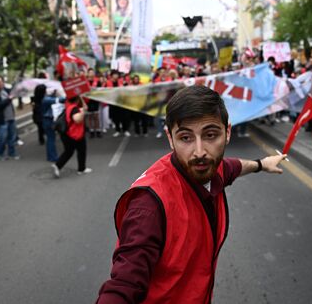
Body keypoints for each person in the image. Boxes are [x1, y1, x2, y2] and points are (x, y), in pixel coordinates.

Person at [96, 86, 286, 303]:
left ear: (228, 133)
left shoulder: (212, 169)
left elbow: (232, 167)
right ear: (170, 138)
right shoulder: (148, 206)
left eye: (211, 135)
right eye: (186, 138)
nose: (199, 152)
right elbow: (124, 284)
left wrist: (262, 164)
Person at [52, 96, 92, 178]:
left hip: (67, 134)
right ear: (76, 100)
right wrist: (82, 111)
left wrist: (80, 99)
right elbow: (77, 119)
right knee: (81, 150)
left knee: (69, 151)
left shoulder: (68, 106)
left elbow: (85, 107)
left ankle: (58, 165)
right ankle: (81, 169)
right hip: (75, 134)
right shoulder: (74, 109)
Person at [0, 75, 19, 160]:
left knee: (12, 137)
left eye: (0, 82)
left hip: (11, 117)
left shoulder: (5, 90)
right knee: (3, 138)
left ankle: (12, 153)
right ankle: (0, 154)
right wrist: (9, 99)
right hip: (2, 120)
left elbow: (14, 91)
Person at [41, 88, 65, 162]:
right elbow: (60, 100)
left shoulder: (44, 98)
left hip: (47, 120)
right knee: (51, 139)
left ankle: (50, 156)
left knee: (50, 138)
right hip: (48, 121)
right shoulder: (46, 99)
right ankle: (52, 157)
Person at [32, 73, 47, 145]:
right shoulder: (44, 87)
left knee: (39, 123)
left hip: (37, 107)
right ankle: (44, 133)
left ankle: (41, 138)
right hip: (43, 106)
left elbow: (34, 97)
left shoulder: (36, 87)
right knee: (43, 121)